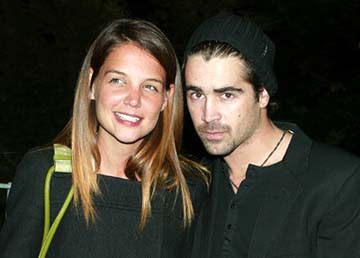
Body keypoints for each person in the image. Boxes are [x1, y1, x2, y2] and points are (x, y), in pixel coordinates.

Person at [0, 18, 208, 258]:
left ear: (166, 98)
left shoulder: (187, 190)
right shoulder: (47, 175)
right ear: (91, 84)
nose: (133, 99)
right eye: (117, 81)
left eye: (150, 86)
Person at [182, 13, 360, 258]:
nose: (208, 114)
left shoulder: (337, 182)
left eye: (227, 95)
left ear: (262, 94)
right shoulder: (194, 183)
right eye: (196, 94)